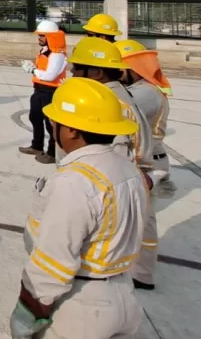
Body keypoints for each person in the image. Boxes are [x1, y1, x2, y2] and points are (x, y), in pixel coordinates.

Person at [9, 77, 147, 339]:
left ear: (71, 130)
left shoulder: (75, 181)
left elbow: (55, 260)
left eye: (55, 122)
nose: (52, 127)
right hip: (122, 294)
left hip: (80, 303)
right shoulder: (128, 170)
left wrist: (29, 311)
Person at [67, 38, 166, 294]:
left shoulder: (113, 103)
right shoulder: (120, 96)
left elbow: (114, 157)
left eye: (77, 68)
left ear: (97, 72)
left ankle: (132, 272)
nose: (72, 73)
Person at [116, 39, 172, 290]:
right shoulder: (142, 88)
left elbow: (120, 108)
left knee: (143, 220)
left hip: (146, 162)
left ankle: (142, 273)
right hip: (141, 159)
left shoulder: (146, 92)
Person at [18, 21, 68, 165]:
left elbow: (50, 75)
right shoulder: (45, 50)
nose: (39, 38)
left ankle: (52, 153)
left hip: (51, 92)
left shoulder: (57, 54)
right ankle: (36, 146)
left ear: (51, 37)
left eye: (42, 36)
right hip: (40, 89)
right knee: (35, 117)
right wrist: (34, 67)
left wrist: (33, 70)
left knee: (50, 124)